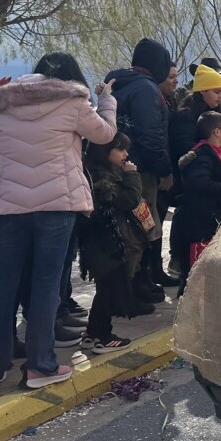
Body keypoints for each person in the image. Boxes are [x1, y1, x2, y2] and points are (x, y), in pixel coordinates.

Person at [0, 53, 117, 392]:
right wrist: (108, 101)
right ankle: (41, 365)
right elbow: (105, 135)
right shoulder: (73, 101)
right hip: (56, 206)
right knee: (46, 286)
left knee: (0, 287)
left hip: (7, 208)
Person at [105, 38, 176, 299]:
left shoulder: (118, 84)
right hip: (141, 170)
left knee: (128, 227)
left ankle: (134, 282)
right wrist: (164, 170)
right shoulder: (146, 89)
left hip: (117, 166)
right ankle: (137, 283)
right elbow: (151, 135)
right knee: (143, 225)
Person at [78, 133, 151, 352]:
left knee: (106, 288)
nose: (125, 154)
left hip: (104, 241)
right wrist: (133, 175)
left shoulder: (102, 171)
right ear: (104, 151)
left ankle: (93, 332)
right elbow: (129, 200)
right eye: (120, 149)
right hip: (107, 242)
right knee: (109, 288)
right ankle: (103, 336)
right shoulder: (100, 177)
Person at [171, 112, 221, 295]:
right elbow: (198, 182)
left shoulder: (220, 151)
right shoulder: (200, 155)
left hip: (215, 214)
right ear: (216, 132)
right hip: (200, 218)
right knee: (195, 268)